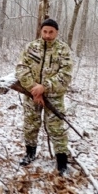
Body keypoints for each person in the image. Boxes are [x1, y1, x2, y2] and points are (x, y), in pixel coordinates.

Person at [15, 18, 73, 175]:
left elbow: (65, 76)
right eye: (45, 31)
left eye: (51, 32)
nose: (47, 35)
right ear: (41, 31)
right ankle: (30, 153)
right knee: (31, 125)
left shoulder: (63, 50)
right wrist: (34, 89)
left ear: (57, 32)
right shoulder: (31, 47)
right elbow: (21, 68)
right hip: (31, 95)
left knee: (56, 128)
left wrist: (44, 87)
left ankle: (62, 162)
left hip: (54, 97)